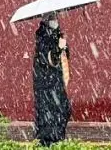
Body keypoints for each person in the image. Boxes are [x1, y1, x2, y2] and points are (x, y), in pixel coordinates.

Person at [32, 13, 71, 146]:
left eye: (56, 19)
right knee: (49, 113)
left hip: (56, 82)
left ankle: (57, 139)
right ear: (46, 22)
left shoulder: (57, 35)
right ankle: (48, 142)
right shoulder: (43, 38)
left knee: (63, 109)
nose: (55, 21)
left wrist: (63, 47)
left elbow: (64, 57)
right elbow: (49, 60)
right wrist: (58, 48)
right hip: (46, 84)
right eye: (52, 19)